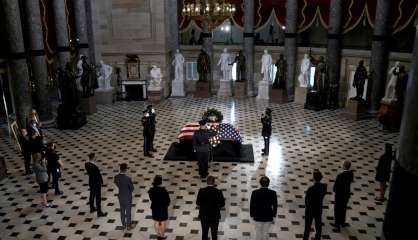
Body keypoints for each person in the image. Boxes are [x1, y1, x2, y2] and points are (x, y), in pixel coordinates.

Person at [196, 176, 225, 240]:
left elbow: (198, 203)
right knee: (214, 234)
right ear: (214, 183)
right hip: (215, 216)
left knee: (204, 233)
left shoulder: (201, 191)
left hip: (204, 216)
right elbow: (222, 204)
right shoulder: (218, 192)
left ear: (206, 182)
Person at [250, 176, 278, 240]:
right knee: (266, 233)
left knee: (258, 232)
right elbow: (275, 205)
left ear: (260, 183)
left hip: (257, 216)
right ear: (269, 183)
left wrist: (252, 214)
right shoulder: (273, 193)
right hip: (268, 216)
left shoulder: (255, 193)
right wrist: (273, 215)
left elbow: (252, 205)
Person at [303, 170, 327, 240]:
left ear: (313, 178)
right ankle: (318, 238)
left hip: (310, 210)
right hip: (318, 209)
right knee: (318, 226)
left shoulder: (310, 189)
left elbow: (306, 202)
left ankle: (305, 238)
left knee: (307, 227)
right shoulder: (324, 187)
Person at [332, 160, 354, 231]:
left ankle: (337, 225)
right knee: (343, 208)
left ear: (344, 166)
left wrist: (335, 190)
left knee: (337, 209)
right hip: (346, 194)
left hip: (339, 195)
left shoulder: (340, 175)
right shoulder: (351, 174)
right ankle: (342, 222)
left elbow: (335, 188)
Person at [148, 175, 171, 240]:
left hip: (155, 208)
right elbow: (168, 201)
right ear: (161, 182)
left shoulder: (151, 190)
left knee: (156, 222)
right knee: (163, 222)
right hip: (163, 208)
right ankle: (162, 236)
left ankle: (158, 235)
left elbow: (151, 199)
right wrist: (166, 205)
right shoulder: (164, 191)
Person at [84, 153, 107, 217]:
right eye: (95, 157)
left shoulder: (86, 164)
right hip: (96, 182)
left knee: (92, 195)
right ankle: (99, 212)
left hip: (91, 181)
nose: (96, 157)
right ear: (93, 157)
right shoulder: (93, 166)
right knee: (98, 197)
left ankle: (92, 208)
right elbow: (97, 173)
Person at [114, 163, 134, 230]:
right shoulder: (127, 178)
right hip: (127, 197)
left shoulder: (116, 177)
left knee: (122, 211)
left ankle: (123, 225)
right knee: (128, 212)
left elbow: (116, 183)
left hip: (120, 195)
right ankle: (128, 226)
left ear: (120, 169)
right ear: (125, 169)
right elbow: (132, 188)